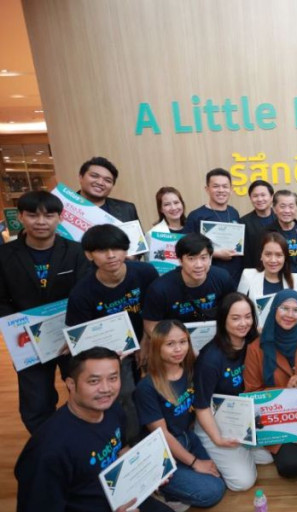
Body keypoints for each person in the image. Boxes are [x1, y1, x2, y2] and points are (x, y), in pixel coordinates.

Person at [15, 347, 173, 512]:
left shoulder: (113, 409)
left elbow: (121, 450)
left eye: (113, 378)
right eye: (94, 381)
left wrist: (147, 472)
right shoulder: (48, 450)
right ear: (71, 384)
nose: (106, 389)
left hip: (121, 497)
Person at [0, 191, 90, 433]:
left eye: (49, 215)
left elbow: (85, 293)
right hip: (27, 339)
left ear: (60, 218)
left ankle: (84, 438)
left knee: (84, 390)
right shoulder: (4, 255)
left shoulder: (76, 251)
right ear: (20, 217)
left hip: (70, 335)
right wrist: (18, 325)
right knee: (36, 401)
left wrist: (75, 328)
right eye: (32, 215)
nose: (41, 221)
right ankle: (46, 443)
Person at [66, 224, 160, 442]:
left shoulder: (145, 272)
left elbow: (156, 309)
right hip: (112, 351)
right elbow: (80, 338)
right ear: (89, 255)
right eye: (101, 250)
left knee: (158, 385)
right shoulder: (82, 292)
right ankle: (133, 441)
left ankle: (163, 429)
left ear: (126, 250)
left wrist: (146, 341)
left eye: (116, 248)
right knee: (124, 393)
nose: (110, 255)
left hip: (149, 338)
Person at [134, 320, 226, 508]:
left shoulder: (191, 369)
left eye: (183, 342)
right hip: (163, 450)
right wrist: (195, 463)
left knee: (221, 478)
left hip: (188, 437)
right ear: (157, 347)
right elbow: (162, 435)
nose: (178, 349)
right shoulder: (146, 387)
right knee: (212, 491)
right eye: (170, 344)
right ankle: (161, 490)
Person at [243, 289, 297, 477]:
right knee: (292, 465)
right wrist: (285, 391)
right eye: (284, 308)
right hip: (279, 418)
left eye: (296, 310)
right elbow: (252, 394)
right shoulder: (256, 348)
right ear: (274, 309)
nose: (290, 315)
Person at [193, 292, 263, 491]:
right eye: (235, 318)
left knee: (268, 457)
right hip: (216, 421)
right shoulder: (210, 358)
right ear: (223, 320)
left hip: (244, 418)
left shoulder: (253, 343)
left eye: (248, 317)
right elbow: (201, 406)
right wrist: (217, 438)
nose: (243, 323)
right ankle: (206, 448)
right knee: (243, 482)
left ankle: (240, 453)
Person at [143, 233, 236, 338]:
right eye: (191, 259)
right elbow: (151, 326)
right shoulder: (160, 289)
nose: (199, 265)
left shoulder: (223, 278)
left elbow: (233, 310)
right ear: (180, 260)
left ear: (210, 258)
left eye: (203, 258)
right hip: (175, 341)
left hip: (214, 337)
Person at [184, 168, 243, 281]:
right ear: (207, 189)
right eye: (216, 186)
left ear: (231, 190)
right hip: (209, 276)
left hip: (235, 275)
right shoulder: (196, 216)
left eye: (225, 186)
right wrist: (216, 254)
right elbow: (187, 248)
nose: (221, 190)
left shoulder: (233, 212)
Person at [238, 232, 297, 306]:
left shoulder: (296, 280)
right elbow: (238, 307)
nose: (273, 260)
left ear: (285, 257)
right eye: (268, 254)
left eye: (278, 255)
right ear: (261, 255)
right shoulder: (248, 276)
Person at [77, 156, 139, 222]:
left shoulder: (127, 209)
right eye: (94, 176)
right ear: (81, 178)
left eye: (107, 180)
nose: (100, 182)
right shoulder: (68, 204)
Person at [241, 180, 276, 270]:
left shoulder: (280, 219)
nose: (259, 199)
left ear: (271, 197)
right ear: (250, 198)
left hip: (279, 269)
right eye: (255, 196)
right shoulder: (243, 222)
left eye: (263, 195)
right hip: (254, 270)